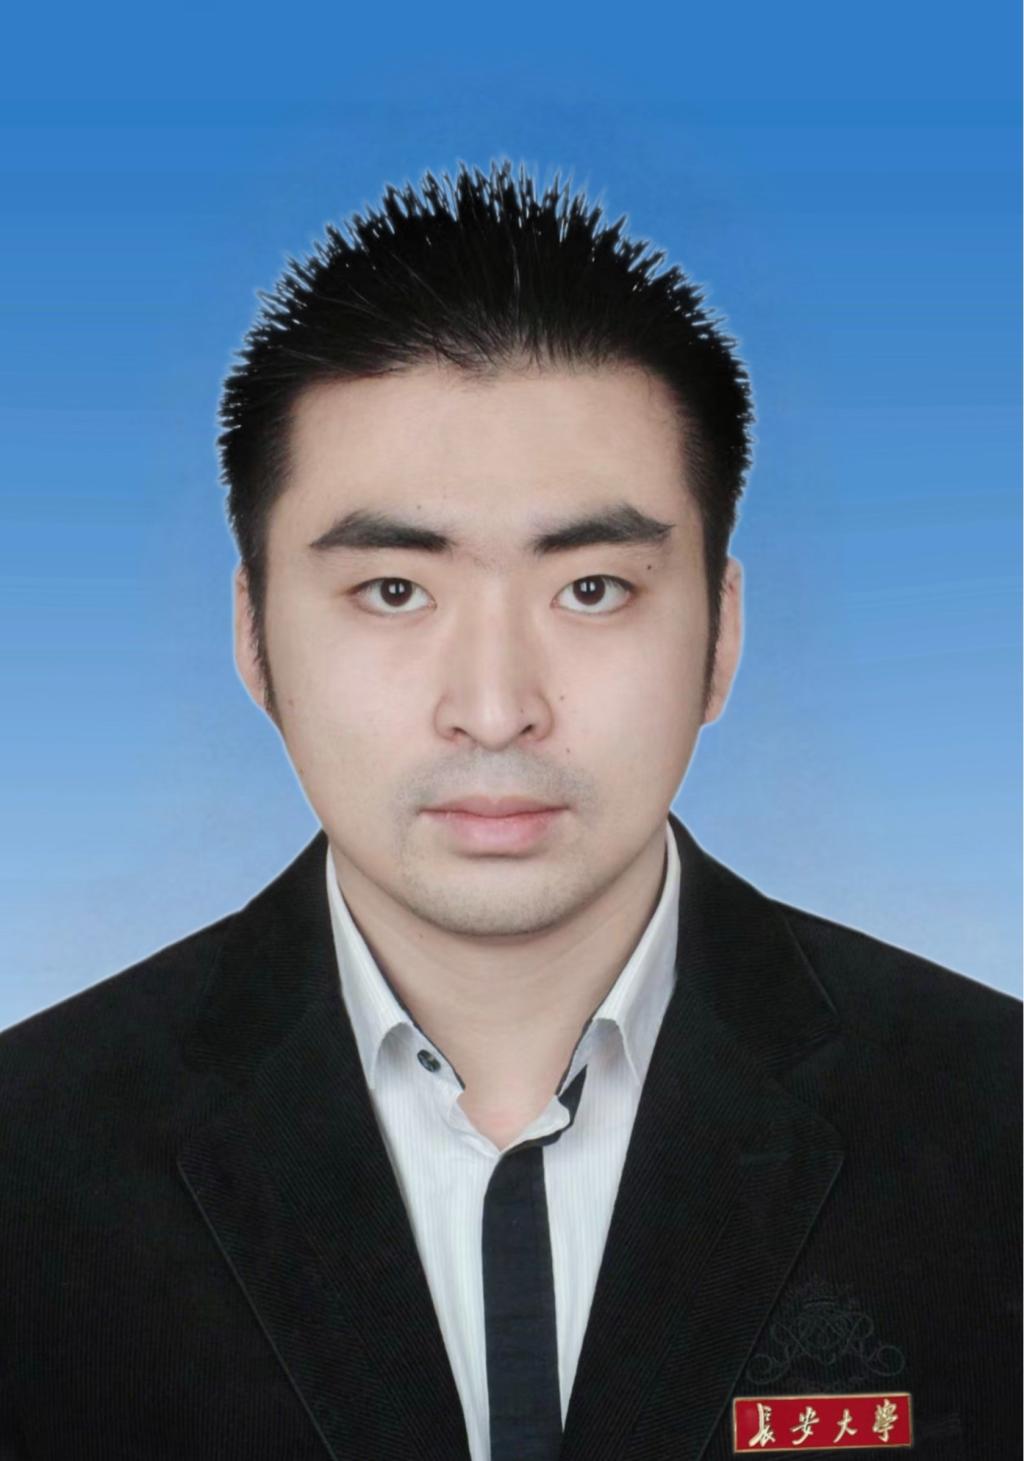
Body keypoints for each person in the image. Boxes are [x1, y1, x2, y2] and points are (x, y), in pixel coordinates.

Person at [0, 161, 1018, 1461]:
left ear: (721, 636)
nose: (494, 708)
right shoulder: (29, 1163)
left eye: (592, 589)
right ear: (254, 637)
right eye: (394, 591)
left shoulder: (997, 1129)